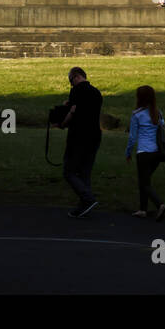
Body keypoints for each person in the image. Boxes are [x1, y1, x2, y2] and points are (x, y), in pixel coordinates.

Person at [57, 66, 102, 218]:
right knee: (85, 173)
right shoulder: (97, 92)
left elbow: (73, 112)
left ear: (76, 77)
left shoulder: (77, 91)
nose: (71, 84)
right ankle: (85, 205)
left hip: (78, 137)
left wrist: (62, 123)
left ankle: (88, 199)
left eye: (71, 81)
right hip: (94, 136)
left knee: (69, 171)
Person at [125, 85, 165, 221]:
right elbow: (164, 129)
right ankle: (143, 209)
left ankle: (160, 204)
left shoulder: (137, 115)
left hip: (143, 153)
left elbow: (132, 137)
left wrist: (128, 152)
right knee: (144, 180)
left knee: (144, 183)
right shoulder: (158, 113)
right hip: (157, 153)